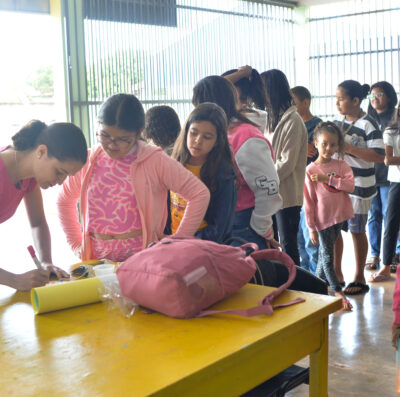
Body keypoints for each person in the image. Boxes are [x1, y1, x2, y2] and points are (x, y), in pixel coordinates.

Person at [57, 93, 210, 262]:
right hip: (97, 259)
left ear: (139, 133)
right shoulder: (89, 161)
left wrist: (177, 241)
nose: (111, 144)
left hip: (142, 258)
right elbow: (64, 201)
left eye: (123, 139)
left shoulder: (154, 160)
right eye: (105, 135)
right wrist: (75, 243)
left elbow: (199, 194)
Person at [192, 75, 282, 249]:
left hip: (242, 226)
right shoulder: (216, 133)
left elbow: (269, 190)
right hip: (217, 225)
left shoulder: (246, 137)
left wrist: (261, 229)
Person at [0, 120, 87, 290]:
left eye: (67, 176)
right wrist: (14, 280)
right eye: (59, 172)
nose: (61, 182)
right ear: (41, 151)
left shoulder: (29, 176)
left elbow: (38, 222)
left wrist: (46, 261)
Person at [333, 80, 385, 295]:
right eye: (335, 99)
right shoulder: (337, 122)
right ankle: (336, 274)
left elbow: (379, 156)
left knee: (356, 231)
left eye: (341, 99)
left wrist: (349, 148)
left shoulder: (368, 124)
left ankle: (359, 276)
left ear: (355, 100)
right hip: (336, 185)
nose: (337, 103)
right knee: (335, 230)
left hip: (360, 186)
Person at [169, 103, 237, 243]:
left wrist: (184, 242)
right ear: (186, 131)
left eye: (207, 137)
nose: (198, 141)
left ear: (218, 141)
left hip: (203, 248)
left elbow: (220, 229)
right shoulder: (171, 163)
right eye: (193, 133)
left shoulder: (223, 174)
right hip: (170, 243)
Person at [304, 122, 354, 310]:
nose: (328, 148)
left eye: (333, 145)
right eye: (324, 143)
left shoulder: (341, 165)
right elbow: (309, 202)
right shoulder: (310, 170)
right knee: (327, 257)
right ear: (316, 143)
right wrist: (311, 228)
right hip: (322, 221)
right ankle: (338, 292)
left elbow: (350, 186)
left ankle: (315, 288)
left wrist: (328, 179)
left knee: (326, 254)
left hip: (338, 217)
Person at [261, 69, 307, 266]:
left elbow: (286, 163)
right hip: (270, 191)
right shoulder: (270, 119)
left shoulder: (293, 121)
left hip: (286, 196)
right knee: (270, 243)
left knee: (288, 246)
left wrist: (261, 178)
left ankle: (295, 288)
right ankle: (279, 284)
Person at [365, 81, 399, 271]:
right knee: (373, 216)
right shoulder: (367, 120)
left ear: (389, 96)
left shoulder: (395, 117)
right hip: (371, 175)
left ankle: (393, 254)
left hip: (391, 176)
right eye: (372, 96)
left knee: (391, 215)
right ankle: (375, 254)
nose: (375, 99)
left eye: (379, 95)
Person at [291, 85, 322, 273]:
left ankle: (315, 276)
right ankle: (303, 272)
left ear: (306, 102)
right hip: (293, 184)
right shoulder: (292, 123)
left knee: (310, 234)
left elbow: (322, 154)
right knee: (297, 237)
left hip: (311, 187)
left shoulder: (318, 125)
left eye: (294, 102)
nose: (292, 106)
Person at [222, 65, 268, 132]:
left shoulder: (249, 118)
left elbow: (214, 86)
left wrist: (242, 74)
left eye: (224, 90)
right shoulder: (256, 115)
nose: (220, 94)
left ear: (235, 91)